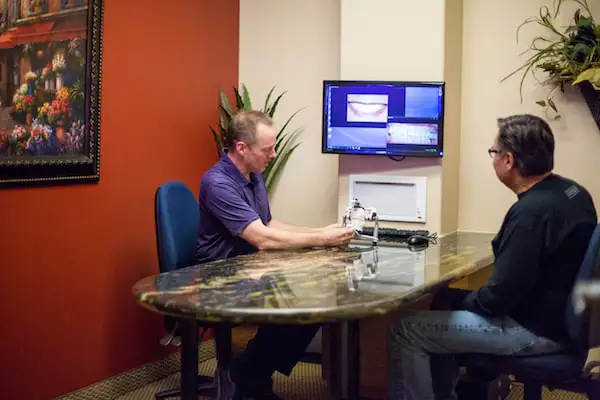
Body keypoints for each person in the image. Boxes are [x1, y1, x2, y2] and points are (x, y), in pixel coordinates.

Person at [387, 114, 598, 400]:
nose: (493, 158)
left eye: (494, 152)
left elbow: (500, 296)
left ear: (509, 160)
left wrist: (463, 300)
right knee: (443, 300)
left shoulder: (531, 214)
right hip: (560, 320)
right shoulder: (572, 191)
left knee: (406, 330)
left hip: (535, 331)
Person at [196, 110, 355, 399]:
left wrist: (320, 236)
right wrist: (319, 238)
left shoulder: (252, 175)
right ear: (242, 148)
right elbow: (262, 238)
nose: (273, 154)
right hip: (220, 278)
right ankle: (245, 375)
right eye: (268, 149)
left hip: (251, 268)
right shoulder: (217, 183)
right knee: (299, 306)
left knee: (317, 298)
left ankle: (251, 374)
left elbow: (268, 223)